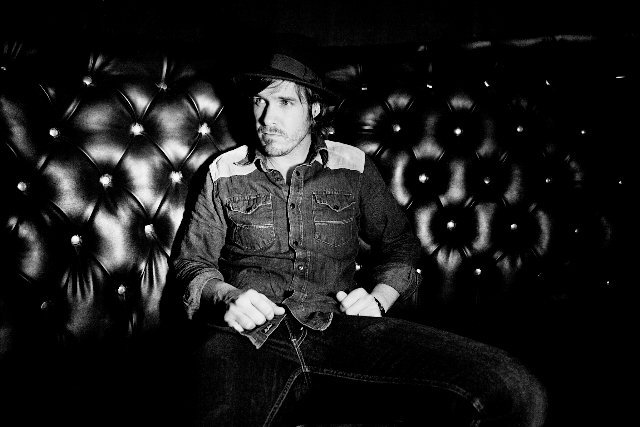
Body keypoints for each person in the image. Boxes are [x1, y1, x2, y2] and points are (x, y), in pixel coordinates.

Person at [171, 43, 547, 426]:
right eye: (259, 101)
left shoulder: (352, 166)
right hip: (247, 335)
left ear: (314, 109)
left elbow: (401, 246)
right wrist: (229, 296)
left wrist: (379, 299)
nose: (267, 117)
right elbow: (191, 263)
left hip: (341, 328)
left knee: (513, 388)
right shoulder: (223, 171)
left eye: (284, 102)